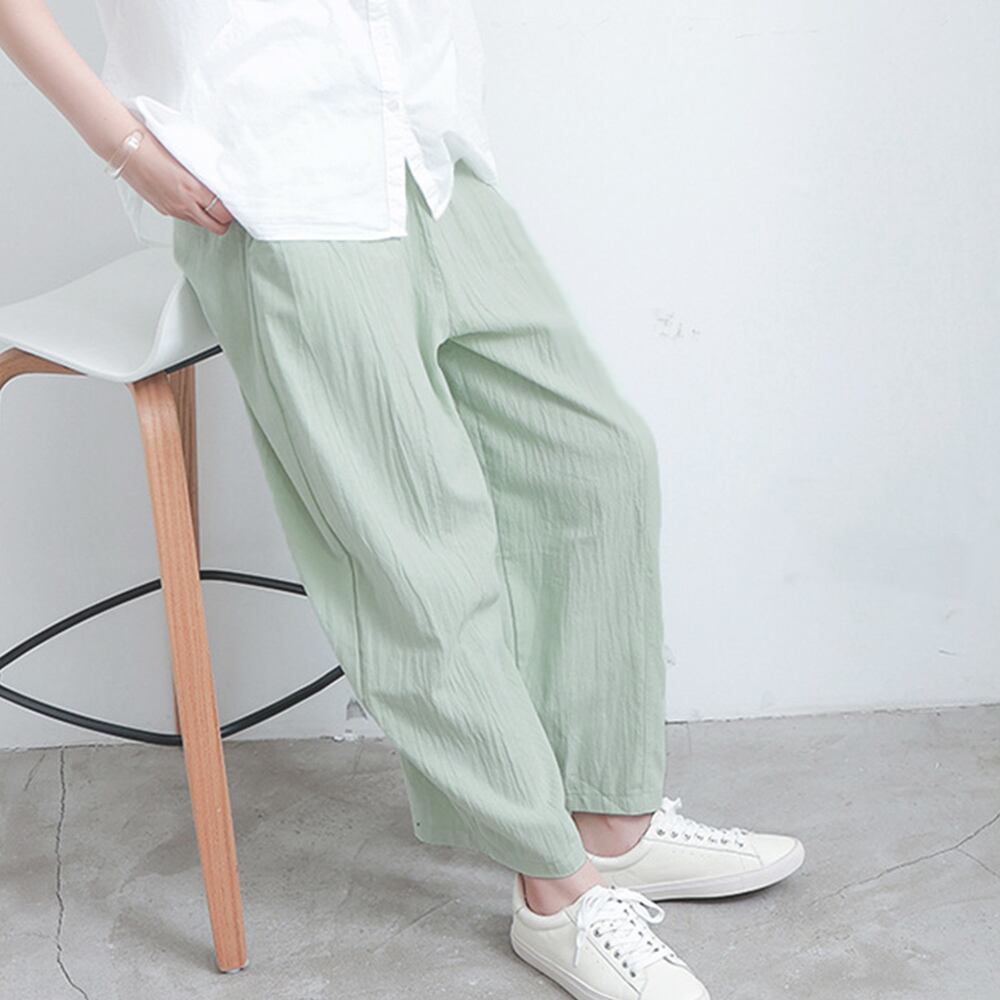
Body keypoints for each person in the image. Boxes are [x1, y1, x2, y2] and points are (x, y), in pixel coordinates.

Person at [0, 2, 805, 997]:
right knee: (415, 544)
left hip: (419, 145)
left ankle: (608, 820)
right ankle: (554, 891)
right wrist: (123, 147)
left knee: (595, 458)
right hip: (270, 184)